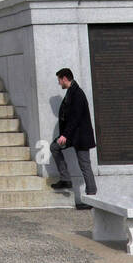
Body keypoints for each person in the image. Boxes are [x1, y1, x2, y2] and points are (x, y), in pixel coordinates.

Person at [51, 68, 97, 206]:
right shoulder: (72, 92)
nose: (59, 83)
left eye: (59, 80)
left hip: (80, 137)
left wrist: (65, 135)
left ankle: (92, 197)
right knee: (54, 147)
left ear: (65, 78)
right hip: (73, 135)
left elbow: (75, 118)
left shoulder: (77, 94)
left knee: (85, 165)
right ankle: (65, 179)